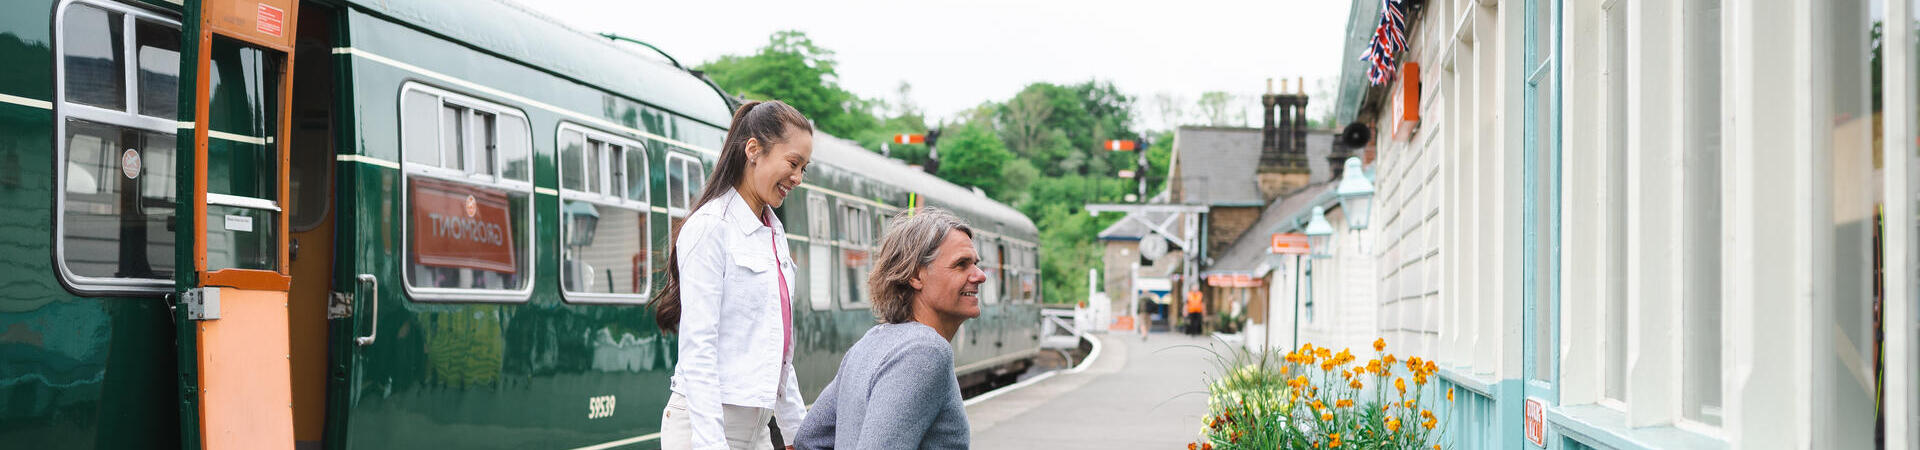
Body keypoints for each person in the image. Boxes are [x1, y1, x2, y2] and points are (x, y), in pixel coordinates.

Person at [653, 100, 814, 450]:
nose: (798, 178)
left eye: (804, 168)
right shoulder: (711, 228)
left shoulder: (775, 235)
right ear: (753, 150)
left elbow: (779, 350)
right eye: (792, 163)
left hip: (756, 430)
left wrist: (796, 434)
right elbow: (698, 349)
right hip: (702, 431)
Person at [792, 208, 980, 450]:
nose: (980, 275)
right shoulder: (925, 352)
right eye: (961, 265)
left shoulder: (869, 343)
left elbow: (809, 439)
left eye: (975, 264)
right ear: (915, 276)